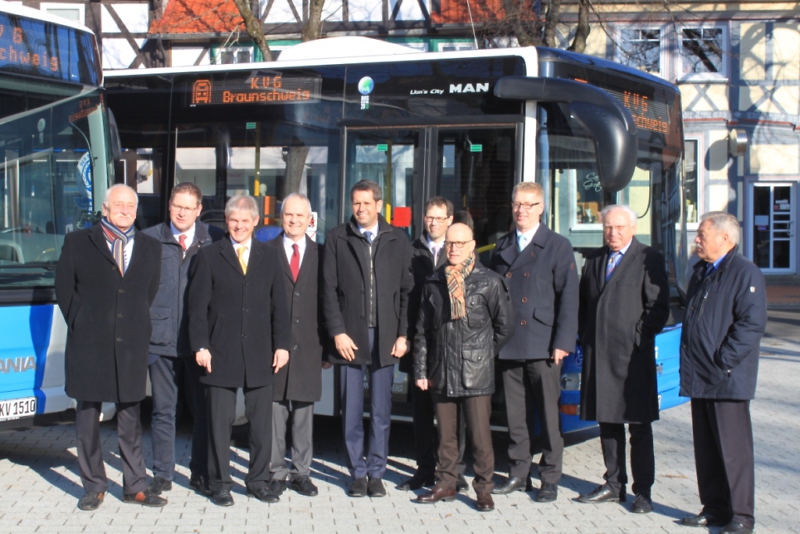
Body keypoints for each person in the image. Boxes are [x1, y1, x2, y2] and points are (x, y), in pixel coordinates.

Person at [55, 184, 166, 510]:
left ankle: (135, 486)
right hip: (89, 343)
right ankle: (94, 486)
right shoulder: (78, 242)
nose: (125, 210)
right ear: (105, 209)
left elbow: (148, 292)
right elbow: (65, 289)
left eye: (131, 205)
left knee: (131, 417)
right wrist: (81, 321)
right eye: (119, 204)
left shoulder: (150, 247)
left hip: (131, 344)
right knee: (88, 416)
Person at [188, 195, 291, 507]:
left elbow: (280, 305)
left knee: (261, 424)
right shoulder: (208, 256)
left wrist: (282, 344)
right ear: (227, 221)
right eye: (234, 220)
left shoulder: (270, 256)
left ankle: (258, 481)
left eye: (245, 220)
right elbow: (196, 308)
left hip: (261, 351)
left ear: (256, 222)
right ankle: (219, 483)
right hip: (219, 350)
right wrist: (201, 345)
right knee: (219, 424)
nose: (239, 226)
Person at [321, 180, 413, 498]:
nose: (360, 208)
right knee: (351, 409)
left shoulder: (397, 239)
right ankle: (357, 474)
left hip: (386, 336)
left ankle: (376, 473)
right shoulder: (337, 237)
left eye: (365, 203)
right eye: (355, 203)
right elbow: (328, 290)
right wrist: (337, 332)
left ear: (378, 205)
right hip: (350, 337)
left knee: (381, 410)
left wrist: (403, 334)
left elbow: (406, 291)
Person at [413, 223, 514, 512]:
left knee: (480, 436)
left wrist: (481, 355)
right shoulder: (433, 281)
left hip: (475, 373)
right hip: (442, 370)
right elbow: (422, 332)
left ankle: (484, 489)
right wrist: (421, 371)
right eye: (450, 243)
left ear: (472, 246)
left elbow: (505, 327)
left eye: (460, 243)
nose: (454, 248)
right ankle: (446, 483)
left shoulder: (489, 281)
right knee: (446, 436)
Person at [576, 204, 670, 513]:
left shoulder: (648, 258)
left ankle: (643, 491)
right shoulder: (595, 260)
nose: (612, 233)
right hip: (600, 354)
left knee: (639, 427)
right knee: (608, 423)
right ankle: (614, 484)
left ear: (632, 229)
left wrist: (637, 337)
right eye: (607, 227)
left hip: (632, 358)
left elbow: (658, 306)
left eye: (619, 227)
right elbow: (583, 305)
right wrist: (585, 336)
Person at [489, 181, 579, 503]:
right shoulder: (502, 245)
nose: (521, 210)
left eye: (528, 205)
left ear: (541, 208)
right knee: (516, 416)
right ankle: (519, 473)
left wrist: (563, 341)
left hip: (543, 343)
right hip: (510, 341)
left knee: (549, 416)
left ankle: (550, 478)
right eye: (517, 204)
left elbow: (569, 297)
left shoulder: (557, 245)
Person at [679, 212, 767, 534]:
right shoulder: (701, 271)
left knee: (734, 452)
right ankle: (714, 509)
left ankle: (742, 516)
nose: (697, 239)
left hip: (726, 377)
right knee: (707, 450)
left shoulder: (745, 272)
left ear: (725, 239)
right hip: (700, 375)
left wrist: (723, 361)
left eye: (702, 234)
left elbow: (751, 324)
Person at [142, 183, 222, 498]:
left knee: (203, 410)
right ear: (169, 205)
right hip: (159, 339)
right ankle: (162, 474)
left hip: (199, 342)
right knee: (163, 410)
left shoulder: (214, 238)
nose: (182, 212)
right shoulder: (149, 239)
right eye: (177, 206)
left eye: (188, 208)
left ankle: (199, 471)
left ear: (199, 210)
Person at [398, 197, 468, 493]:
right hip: (420, 343)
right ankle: (424, 469)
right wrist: (403, 336)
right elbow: (403, 297)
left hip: (453, 346)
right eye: (429, 217)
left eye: (440, 218)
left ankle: (455, 470)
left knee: (454, 413)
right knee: (422, 413)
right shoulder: (409, 251)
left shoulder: (459, 251)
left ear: (450, 220)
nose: (434, 223)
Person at [266, 193, 327, 498]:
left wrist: (329, 349)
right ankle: (275, 472)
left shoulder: (323, 254)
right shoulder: (266, 252)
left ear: (309, 220)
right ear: (282, 217)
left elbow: (329, 303)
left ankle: (301, 473)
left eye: (300, 216)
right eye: (289, 214)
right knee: (275, 411)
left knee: (303, 412)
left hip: (310, 345)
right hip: (273, 346)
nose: (293, 220)